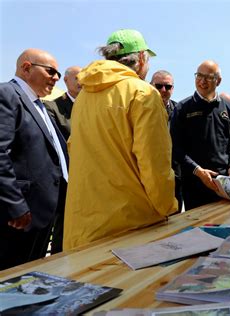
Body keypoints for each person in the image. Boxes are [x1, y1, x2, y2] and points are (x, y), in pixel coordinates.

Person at [63, 29, 177, 250]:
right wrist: (167, 206)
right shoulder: (143, 93)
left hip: (82, 225)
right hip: (131, 226)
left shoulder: (82, 97)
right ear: (142, 57)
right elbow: (153, 163)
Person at [0, 48, 68, 270]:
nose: (56, 77)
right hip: (20, 217)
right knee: (12, 281)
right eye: (50, 71)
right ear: (26, 68)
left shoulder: (40, 106)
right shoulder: (7, 95)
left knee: (31, 276)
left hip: (43, 212)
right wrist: (14, 205)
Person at [171, 60, 230, 210]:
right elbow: (175, 147)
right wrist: (198, 170)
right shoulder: (182, 108)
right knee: (198, 230)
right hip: (194, 182)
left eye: (208, 77)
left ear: (219, 81)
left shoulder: (229, 108)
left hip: (224, 183)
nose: (202, 81)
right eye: (199, 76)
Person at [151, 69, 182, 212]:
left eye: (168, 87)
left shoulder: (180, 110)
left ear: (173, 89)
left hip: (176, 172)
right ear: (150, 86)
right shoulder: (140, 108)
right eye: (159, 86)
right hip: (151, 172)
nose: (163, 90)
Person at [44, 65, 82, 139]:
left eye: (84, 78)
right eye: (77, 78)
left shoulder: (93, 105)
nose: (81, 82)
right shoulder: (52, 108)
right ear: (65, 80)